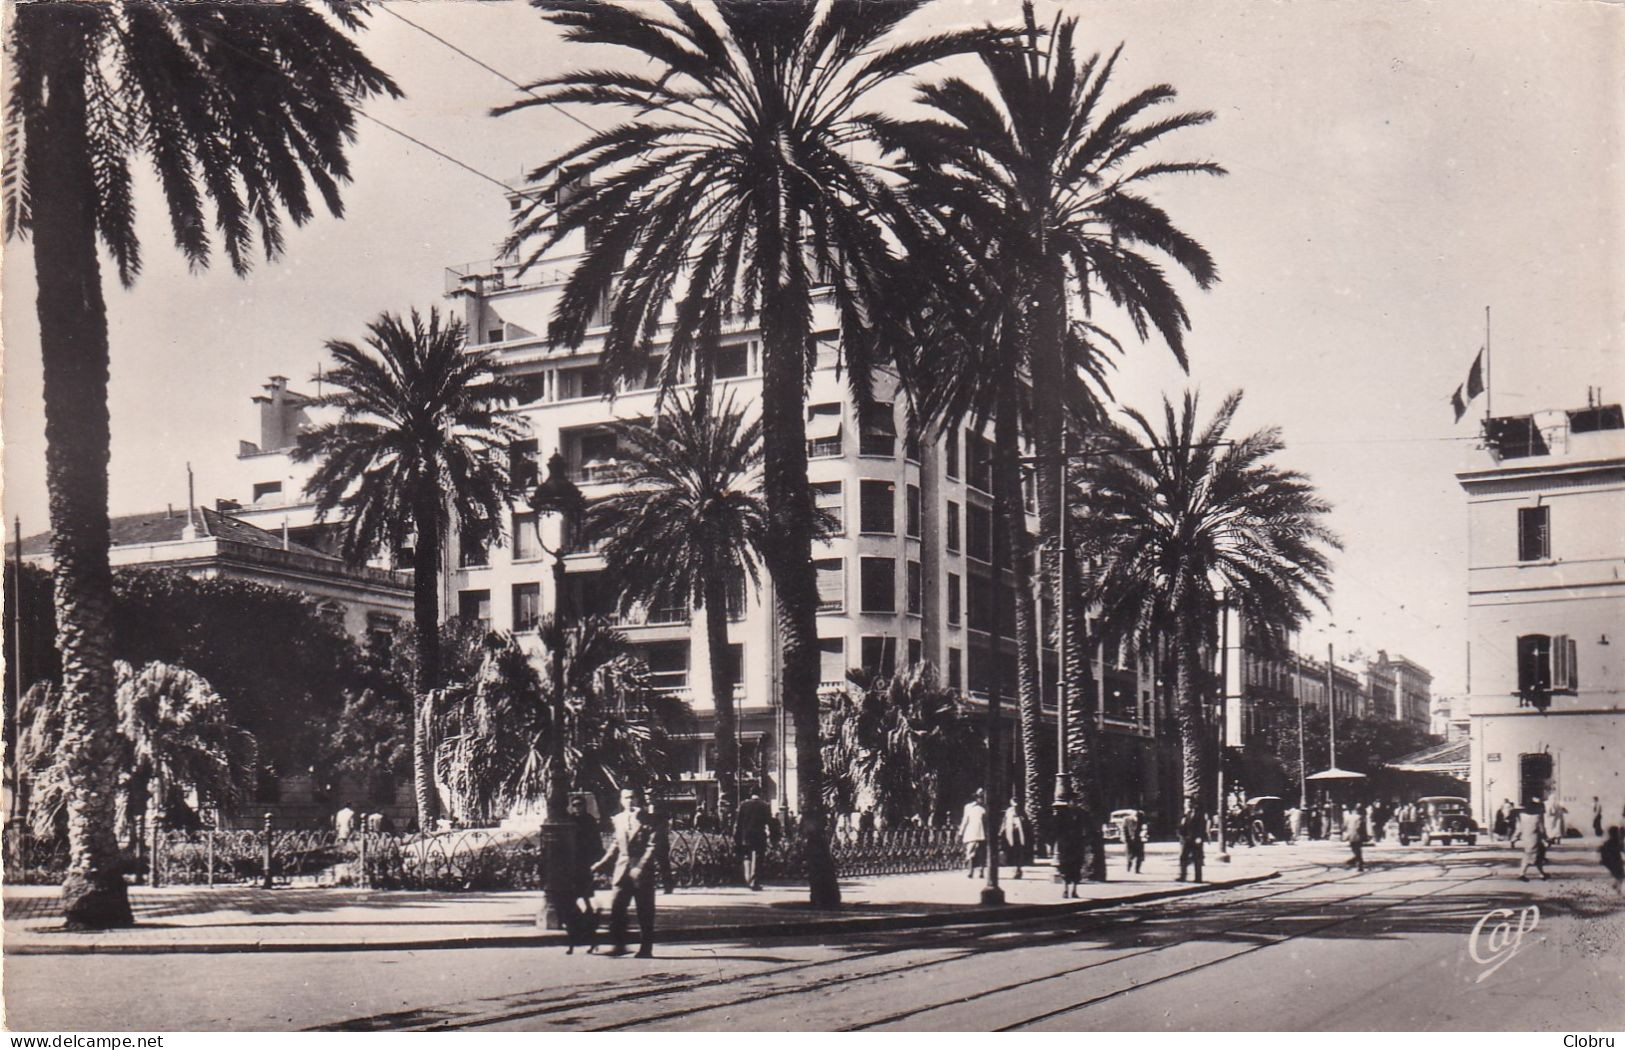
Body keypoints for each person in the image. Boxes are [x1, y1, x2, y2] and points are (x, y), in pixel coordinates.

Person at [592, 788, 660, 958]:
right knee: (617, 907)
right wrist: (600, 864)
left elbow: (652, 847)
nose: (630, 801)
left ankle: (646, 948)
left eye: (632, 797)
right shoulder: (619, 820)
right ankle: (619, 945)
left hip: (641, 871)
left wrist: (640, 867)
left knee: (644, 910)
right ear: (621, 801)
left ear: (638, 799)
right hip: (621, 869)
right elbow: (616, 844)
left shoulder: (649, 819)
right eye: (626, 798)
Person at [734, 791, 773, 890]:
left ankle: (747, 879)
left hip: (745, 835)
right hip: (759, 835)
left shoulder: (743, 805)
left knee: (747, 856)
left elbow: (738, 822)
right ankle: (754, 881)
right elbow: (769, 822)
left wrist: (737, 836)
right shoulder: (764, 805)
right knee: (758, 857)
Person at [1053, 800, 1084, 897]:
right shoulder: (1062, 815)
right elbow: (1056, 830)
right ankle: (1065, 890)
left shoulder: (1082, 814)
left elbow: (1086, 828)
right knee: (1065, 869)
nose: (1073, 803)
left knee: (1076, 868)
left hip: (1077, 845)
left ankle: (1074, 890)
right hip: (1065, 846)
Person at [1514, 799, 1549, 882]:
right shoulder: (1537, 817)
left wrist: (1514, 838)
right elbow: (1542, 829)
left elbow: (1519, 828)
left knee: (1535, 856)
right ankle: (1522, 874)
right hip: (1535, 838)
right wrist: (1545, 838)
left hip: (1525, 838)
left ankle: (1542, 874)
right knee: (1531, 857)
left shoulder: (1522, 816)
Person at [960, 789, 988, 879]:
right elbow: (965, 820)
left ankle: (981, 871)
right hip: (971, 833)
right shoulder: (968, 807)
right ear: (975, 797)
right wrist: (961, 832)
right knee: (970, 853)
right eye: (979, 797)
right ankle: (970, 871)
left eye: (982, 797)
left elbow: (988, 822)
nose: (981, 799)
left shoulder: (985, 808)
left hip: (982, 833)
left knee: (982, 853)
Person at [1177, 798, 1205, 883]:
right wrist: (1180, 835)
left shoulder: (1199, 814)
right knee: (1183, 858)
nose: (1187, 804)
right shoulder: (1183, 814)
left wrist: (1200, 837)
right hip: (1186, 839)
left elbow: (1201, 826)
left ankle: (1198, 878)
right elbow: (1180, 826)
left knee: (1197, 858)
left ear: (1193, 804)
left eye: (1189, 802)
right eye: (1186, 802)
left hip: (1196, 839)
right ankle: (1183, 876)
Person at [1001, 800, 1029, 879]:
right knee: (1012, 853)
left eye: (1016, 806)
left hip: (1019, 836)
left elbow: (1026, 825)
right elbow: (1004, 822)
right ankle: (1016, 870)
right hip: (1010, 835)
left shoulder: (1022, 812)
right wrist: (1001, 831)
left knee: (1018, 853)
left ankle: (1018, 870)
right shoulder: (1008, 812)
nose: (1015, 808)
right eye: (1014, 806)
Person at [1599, 826, 1624, 894]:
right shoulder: (1616, 842)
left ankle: (1615, 886)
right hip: (1615, 861)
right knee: (1620, 875)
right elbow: (1621, 849)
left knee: (1619, 875)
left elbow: (1602, 850)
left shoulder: (1608, 843)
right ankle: (1618, 889)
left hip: (1612, 861)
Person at [1121, 807, 1145, 874]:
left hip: (1139, 839)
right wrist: (1125, 838)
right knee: (1130, 855)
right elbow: (1124, 829)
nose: (1137, 818)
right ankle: (1129, 866)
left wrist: (1144, 835)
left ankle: (1137, 870)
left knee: (1140, 856)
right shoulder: (1127, 820)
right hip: (1129, 840)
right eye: (1135, 816)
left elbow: (1144, 828)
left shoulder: (1141, 819)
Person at [1345, 806, 1367, 872]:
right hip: (1358, 835)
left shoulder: (1348, 817)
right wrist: (1365, 835)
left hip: (1351, 835)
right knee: (1358, 849)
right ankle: (1359, 863)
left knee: (1354, 848)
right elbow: (1360, 827)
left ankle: (1357, 861)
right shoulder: (1360, 817)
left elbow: (1344, 825)